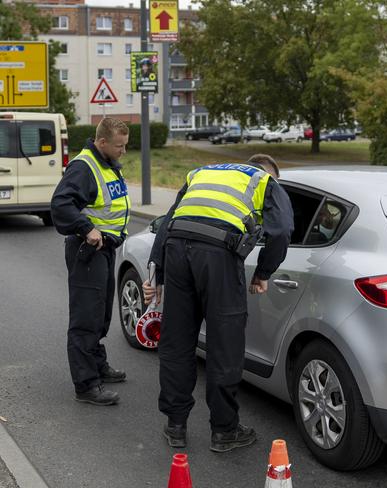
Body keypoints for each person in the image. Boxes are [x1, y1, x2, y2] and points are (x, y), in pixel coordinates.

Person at [142, 154, 293, 452]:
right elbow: (283, 230)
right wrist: (263, 272)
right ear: (270, 174)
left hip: (176, 250)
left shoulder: (200, 173)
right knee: (225, 345)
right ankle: (224, 430)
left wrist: (154, 272)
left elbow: (167, 223)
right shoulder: (264, 181)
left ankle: (175, 426)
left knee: (177, 342)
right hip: (218, 254)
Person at [50, 117, 131, 406]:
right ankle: (86, 385)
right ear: (102, 142)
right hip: (88, 249)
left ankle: (97, 365)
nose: (123, 151)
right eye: (119, 146)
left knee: (100, 314)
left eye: (125, 145)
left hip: (104, 249)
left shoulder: (106, 163)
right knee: (86, 318)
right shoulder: (84, 166)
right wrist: (86, 228)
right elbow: (60, 204)